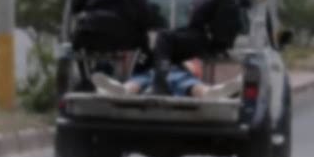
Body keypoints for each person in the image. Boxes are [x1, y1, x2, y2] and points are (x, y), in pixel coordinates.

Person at [152, 0, 242, 93]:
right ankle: (178, 79)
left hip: (202, 39)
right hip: (218, 42)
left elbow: (194, 14)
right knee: (175, 48)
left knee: (164, 37)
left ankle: (160, 82)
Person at [70, 0, 153, 86]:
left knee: (76, 44)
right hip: (122, 40)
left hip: (90, 35)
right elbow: (146, 21)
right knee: (145, 44)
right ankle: (137, 77)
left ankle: (84, 78)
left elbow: (75, 6)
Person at [91, 66, 242, 99]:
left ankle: (123, 90)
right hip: (157, 72)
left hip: (176, 71)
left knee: (140, 80)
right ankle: (210, 92)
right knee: (189, 83)